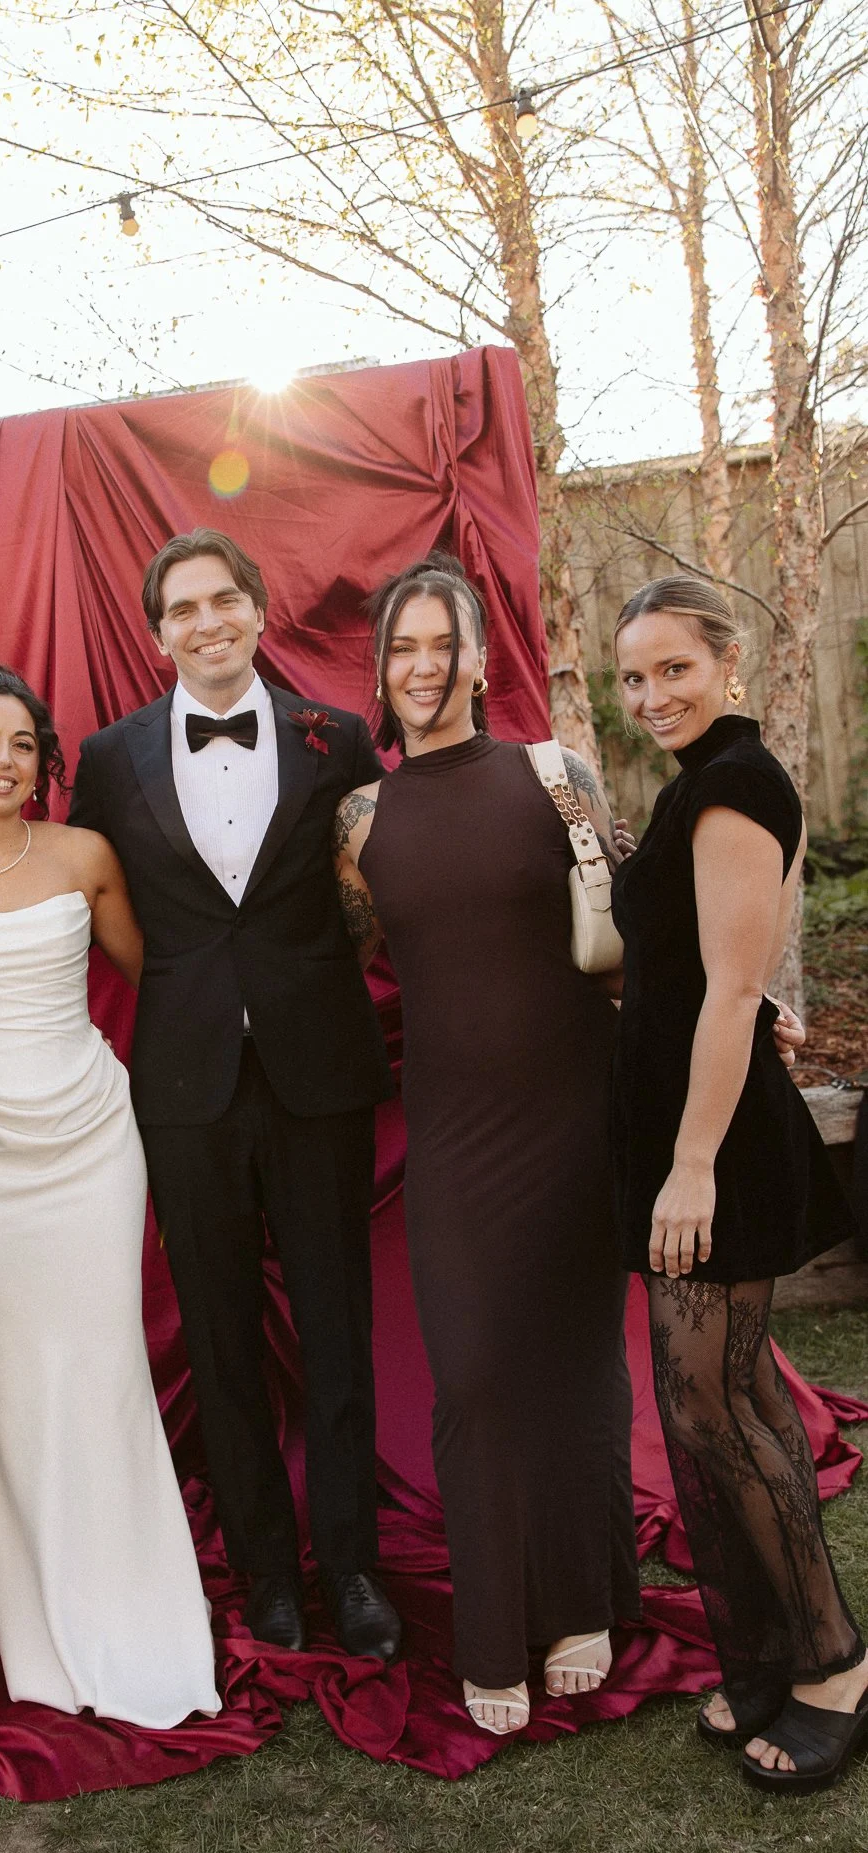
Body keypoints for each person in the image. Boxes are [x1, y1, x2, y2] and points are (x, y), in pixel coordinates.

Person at [69, 528, 401, 1663]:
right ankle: (266, 1572)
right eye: (181, 609)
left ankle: (351, 1566)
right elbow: (92, 903)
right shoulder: (109, 760)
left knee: (337, 1322)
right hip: (184, 1083)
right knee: (218, 1334)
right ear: (156, 629)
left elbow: (373, 893)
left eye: (224, 601)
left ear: (259, 610)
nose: (206, 623)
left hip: (319, 1075)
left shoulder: (338, 738)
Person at [332, 552, 641, 1734]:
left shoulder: (553, 774)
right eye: (400, 648)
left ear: (479, 655)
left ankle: (580, 1603)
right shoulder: (360, 817)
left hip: (572, 1107)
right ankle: (489, 1624)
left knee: (574, 1365)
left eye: (441, 643)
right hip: (454, 1126)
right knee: (471, 1373)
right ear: (382, 668)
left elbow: (621, 926)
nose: (422, 666)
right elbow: (358, 958)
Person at [0, 665, 219, 1730]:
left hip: (89, 1137)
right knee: (15, 1384)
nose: (3, 756)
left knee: (107, 1367)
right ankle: (40, 1631)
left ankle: (142, 1613)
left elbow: (160, 984)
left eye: (25, 742)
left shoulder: (83, 856)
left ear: (45, 764)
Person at [611, 575, 864, 1794]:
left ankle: (833, 1661)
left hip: (713, 1148)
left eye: (673, 668)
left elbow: (730, 992)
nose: (651, 693)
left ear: (728, 662)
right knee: (736, 1393)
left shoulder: (734, 787)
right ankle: (776, 1642)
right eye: (633, 676)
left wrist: (691, 1165)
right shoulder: (704, 782)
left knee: (713, 1404)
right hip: (691, 1130)